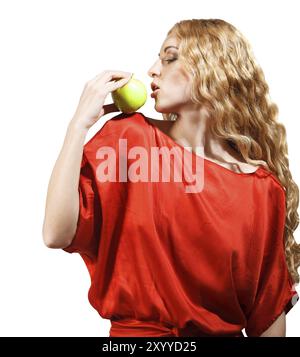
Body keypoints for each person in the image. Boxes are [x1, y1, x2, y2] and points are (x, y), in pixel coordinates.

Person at [42, 18, 300, 337]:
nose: (152, 69)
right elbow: (56, 233)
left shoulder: (262, 190)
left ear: (213, 67)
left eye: (170, 57)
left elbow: (267, 315)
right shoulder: (130, 139)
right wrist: (78, 126)